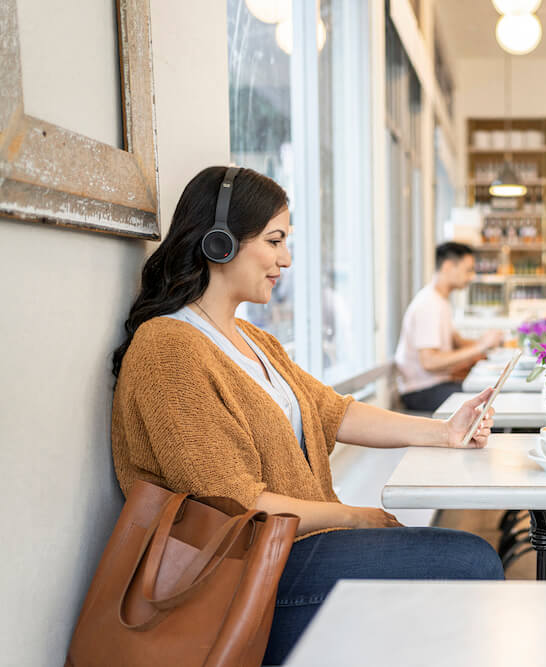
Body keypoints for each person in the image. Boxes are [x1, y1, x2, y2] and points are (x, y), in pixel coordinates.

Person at [110, 167, 504, 665]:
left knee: (459, 561)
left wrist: (446, 432)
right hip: (238, 574)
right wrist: (353, 516)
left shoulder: (255, 340)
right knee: (470, 563)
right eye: (275, 241)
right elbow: (235, 503)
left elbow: (333, 412)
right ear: (219, 242)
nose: (286, 260)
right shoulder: (168, 348)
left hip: (291, 553)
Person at [395, 242, 504, 411]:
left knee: (493, 398)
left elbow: (457, 342)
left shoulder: (440, 301)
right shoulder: (428, 304)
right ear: (447, 266)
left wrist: (486, 342)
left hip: (436, 385)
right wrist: (481, 346)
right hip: (421, 391)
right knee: (490, 406)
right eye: (468, 270)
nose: (472, 276)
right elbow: (429, 362)